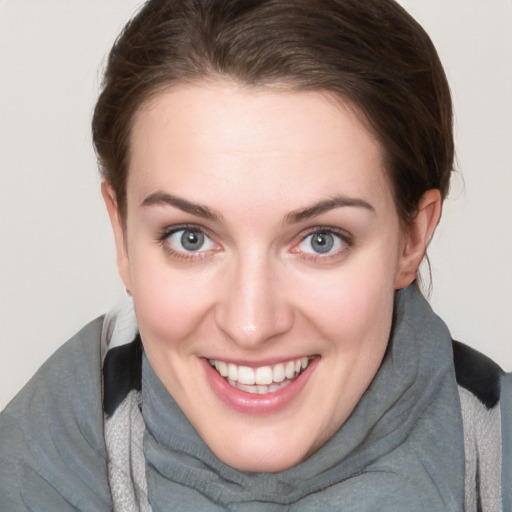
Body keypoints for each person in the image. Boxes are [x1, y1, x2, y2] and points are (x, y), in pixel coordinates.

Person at [1, 0, 510, 510]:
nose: (251, 325)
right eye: (190, 238)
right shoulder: (30, 468)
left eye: (320, 240)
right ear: (122, 232)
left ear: (411, 239)